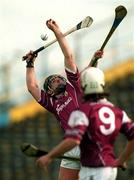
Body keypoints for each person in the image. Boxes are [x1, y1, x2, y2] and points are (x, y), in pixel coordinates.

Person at [24, 18, 103, 180]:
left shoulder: (74, 85)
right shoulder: (51, 103)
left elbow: (69, 56)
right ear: (50, 91)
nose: (58, 80)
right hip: (71, 144)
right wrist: (30, 64)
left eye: (59, 78)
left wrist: (57, 31)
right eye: (53, 81)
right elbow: (32, 87)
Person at [36, 67, 134, 180]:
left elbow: (74, 140)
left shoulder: (83, 112)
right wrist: (122, 159)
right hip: (109, 169)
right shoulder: (116, 111)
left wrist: (50, 156)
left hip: (94, 172)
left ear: (84, 87)